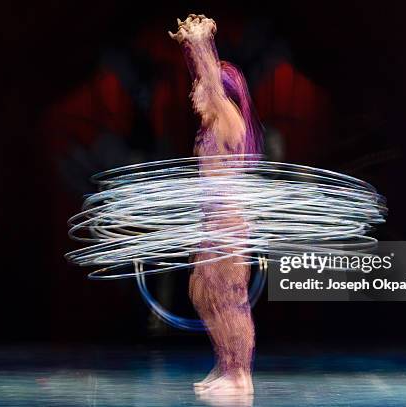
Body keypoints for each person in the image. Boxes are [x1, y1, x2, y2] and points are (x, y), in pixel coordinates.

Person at [169, 14, 264, 396]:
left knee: (229, 299)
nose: (194, 91)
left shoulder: (228, 119)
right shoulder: (207, 130)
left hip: (228, 225)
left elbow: (211, 79)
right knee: (202, 294)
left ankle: (240, 375)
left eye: (200, 86)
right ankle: (224, 365)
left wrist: (199, 42)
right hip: (210, 223)